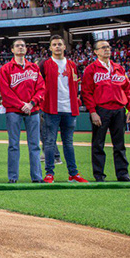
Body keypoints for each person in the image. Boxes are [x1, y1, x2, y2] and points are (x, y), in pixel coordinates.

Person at [81, 40, 130, 182]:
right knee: (98, 144)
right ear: (96, 52)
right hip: (101, 110)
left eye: (108, 47)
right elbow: (86, 92)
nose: (107, 49)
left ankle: (123, 174)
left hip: (119, 109)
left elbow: (127, 89)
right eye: (103, 47)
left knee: (120, 144)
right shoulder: (91, 69)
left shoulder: (119, 68)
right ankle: (99, 175)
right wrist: (92, 111)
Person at [39, 35, 88, 183]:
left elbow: (74, 86)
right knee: (49, 142)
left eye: (60, 44)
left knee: (68, 143)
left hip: (69, 108)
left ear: (65, 47)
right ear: (50, 48)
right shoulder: (44, 64)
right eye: (54, 45)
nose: (57, 47)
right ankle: (49, 174)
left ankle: (73, 173)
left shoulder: (72, 65)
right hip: (51, 108)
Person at [0, 39, 45, 183]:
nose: (20, 47)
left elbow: (41, 88)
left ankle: (37, 177)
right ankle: (13, 177)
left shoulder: (34, 68)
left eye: (23, 45)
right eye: (17, 46)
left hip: (33, 109)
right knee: (13, 145)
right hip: (14, 110)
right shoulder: (6, 68)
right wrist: (21, 105)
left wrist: (31, 103)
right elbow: (5, 92)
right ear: (12, 50)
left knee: (35, 145)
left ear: (26, 49)